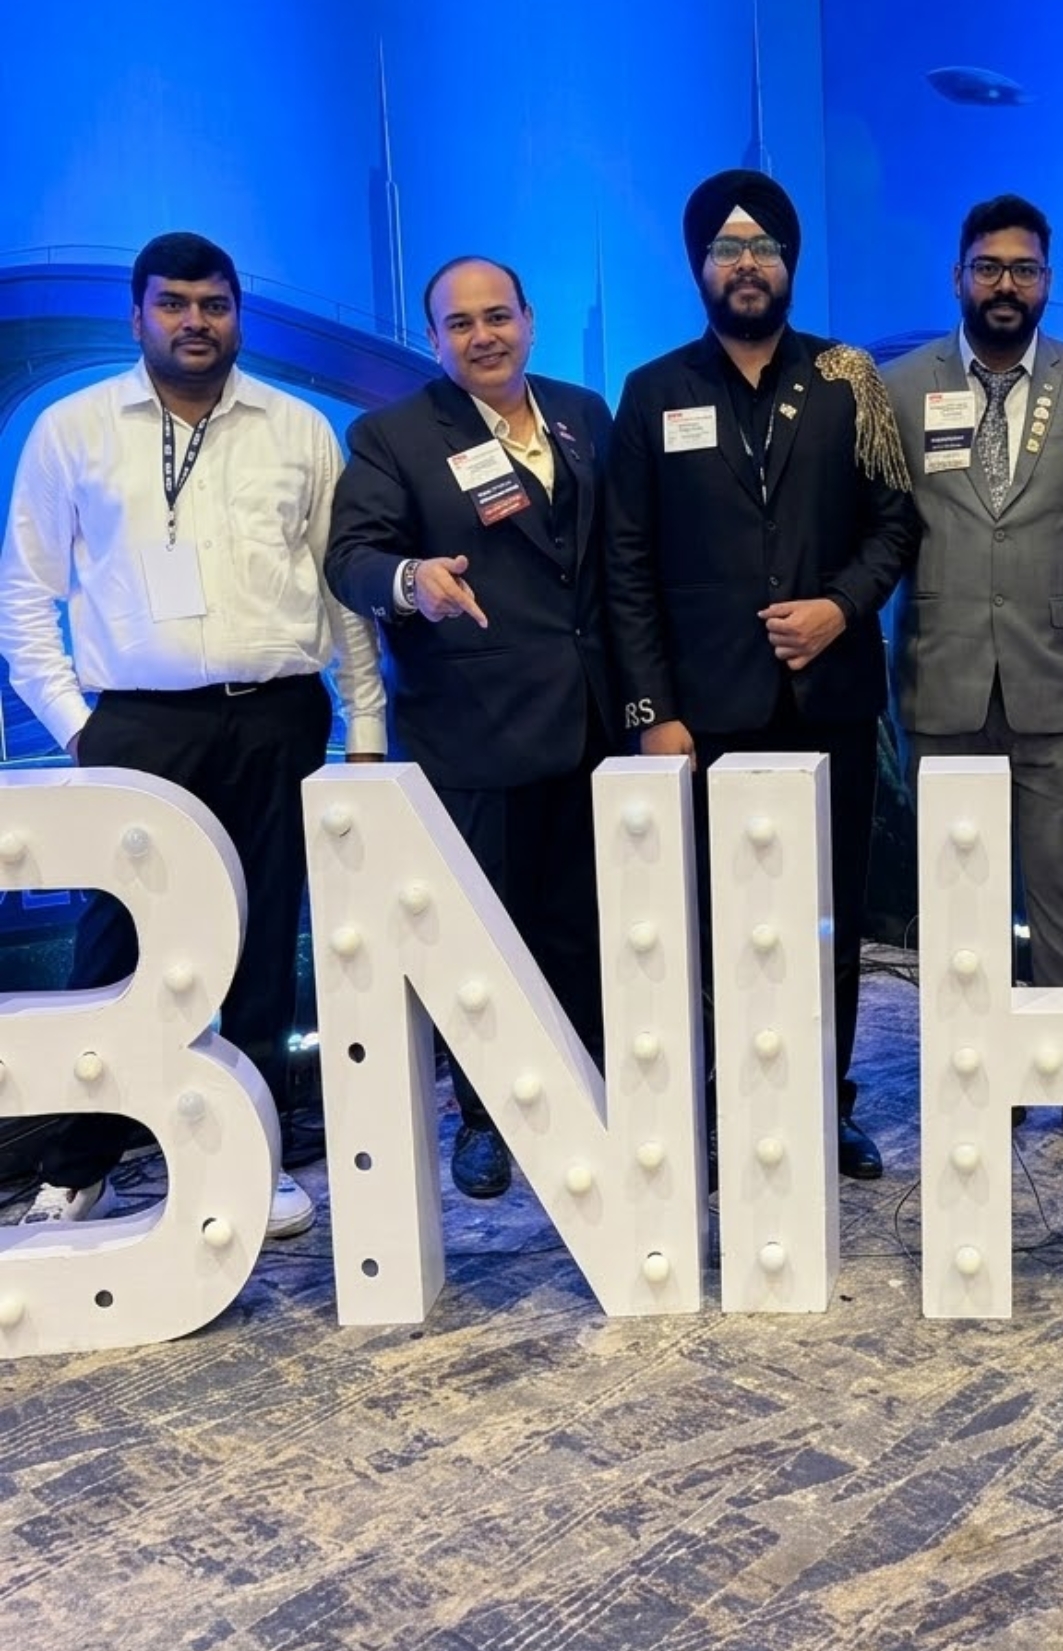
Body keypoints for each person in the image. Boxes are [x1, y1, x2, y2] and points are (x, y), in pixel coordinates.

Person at [0, 230, 387, 1235]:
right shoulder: (75, 430)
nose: (195, 322)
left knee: (263, 943)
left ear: (237, 316)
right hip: (135, 727)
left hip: (276, 714)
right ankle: (79, 1164)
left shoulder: (299, 429)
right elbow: (24, 595)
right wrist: (78, 729)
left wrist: (366, 723)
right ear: (136, 316)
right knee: (115, 946)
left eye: (213, 304)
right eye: (173, 304)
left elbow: (342, 592)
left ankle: (252, 1157)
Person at [605, 170, 917, 1180]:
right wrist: (652, 710)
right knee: (715, 923)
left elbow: (895, 526)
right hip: (705, 715)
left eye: (764, 248)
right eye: (726, 249)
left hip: (831, 702)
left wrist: (840, 607)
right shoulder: (653, 392)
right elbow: (627, 563)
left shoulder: (847, 378)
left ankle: (825, 1099)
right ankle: (727, 1096)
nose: (746, 265)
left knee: (830, 921)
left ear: (790, 263)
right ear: (699, 266)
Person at [324, 256, 615, 1201]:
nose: (483, 336)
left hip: (592, 721)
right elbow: (353, 557)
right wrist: (413, 582)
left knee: (584, 925)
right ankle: (486, 1117)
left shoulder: (583, 414)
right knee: (483, 936)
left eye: (498, 316)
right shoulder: (394, 435)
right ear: (434, 337)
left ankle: (592, 1088)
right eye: (461, 323)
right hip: (474, 727)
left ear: (530, 319)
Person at [885, 194, 1063, 1167]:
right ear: (958, 276)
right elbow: (877, 538)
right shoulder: (899, 389)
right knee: (959, 898)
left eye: (1024, 269)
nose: (1006, 284)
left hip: (1061, 685)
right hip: (942, 681)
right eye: (988, 267)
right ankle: (980, 1077)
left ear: (1048, 282)